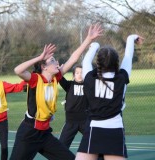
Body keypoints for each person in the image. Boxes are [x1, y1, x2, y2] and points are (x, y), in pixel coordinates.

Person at [9, 23, 103, 160]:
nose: (57, 62)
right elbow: (18, 70)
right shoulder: (36, 79)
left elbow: (74, 58)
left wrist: (89, 39)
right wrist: (39, 57)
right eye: (52, 61)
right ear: (44, 67)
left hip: (44, 134)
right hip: (28, 133)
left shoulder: (55, 78)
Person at [75, 34, 143, 160]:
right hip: (115, 130)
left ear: (98, 62)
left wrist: (95, 45)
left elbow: (85, 61)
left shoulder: (89, 78)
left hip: (94, 129)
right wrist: (131, 38)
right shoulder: (122, 78)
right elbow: (128, 57)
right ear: (116, 62)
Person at [0, 80, 26, 160]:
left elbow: (17, 87)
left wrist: (28, 78)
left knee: (4, 148)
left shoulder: (1, 85)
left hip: (2, 123)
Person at [59, 64, 88, 148]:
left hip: (85, 120)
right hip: (71, 121)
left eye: (82, 73)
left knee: (95, 142)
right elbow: (59, 77)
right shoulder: (69, 85)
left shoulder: (89, 86)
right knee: (62, 146)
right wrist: (59, 70)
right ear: (73, 75)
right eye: (77, 73)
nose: (80, 75)